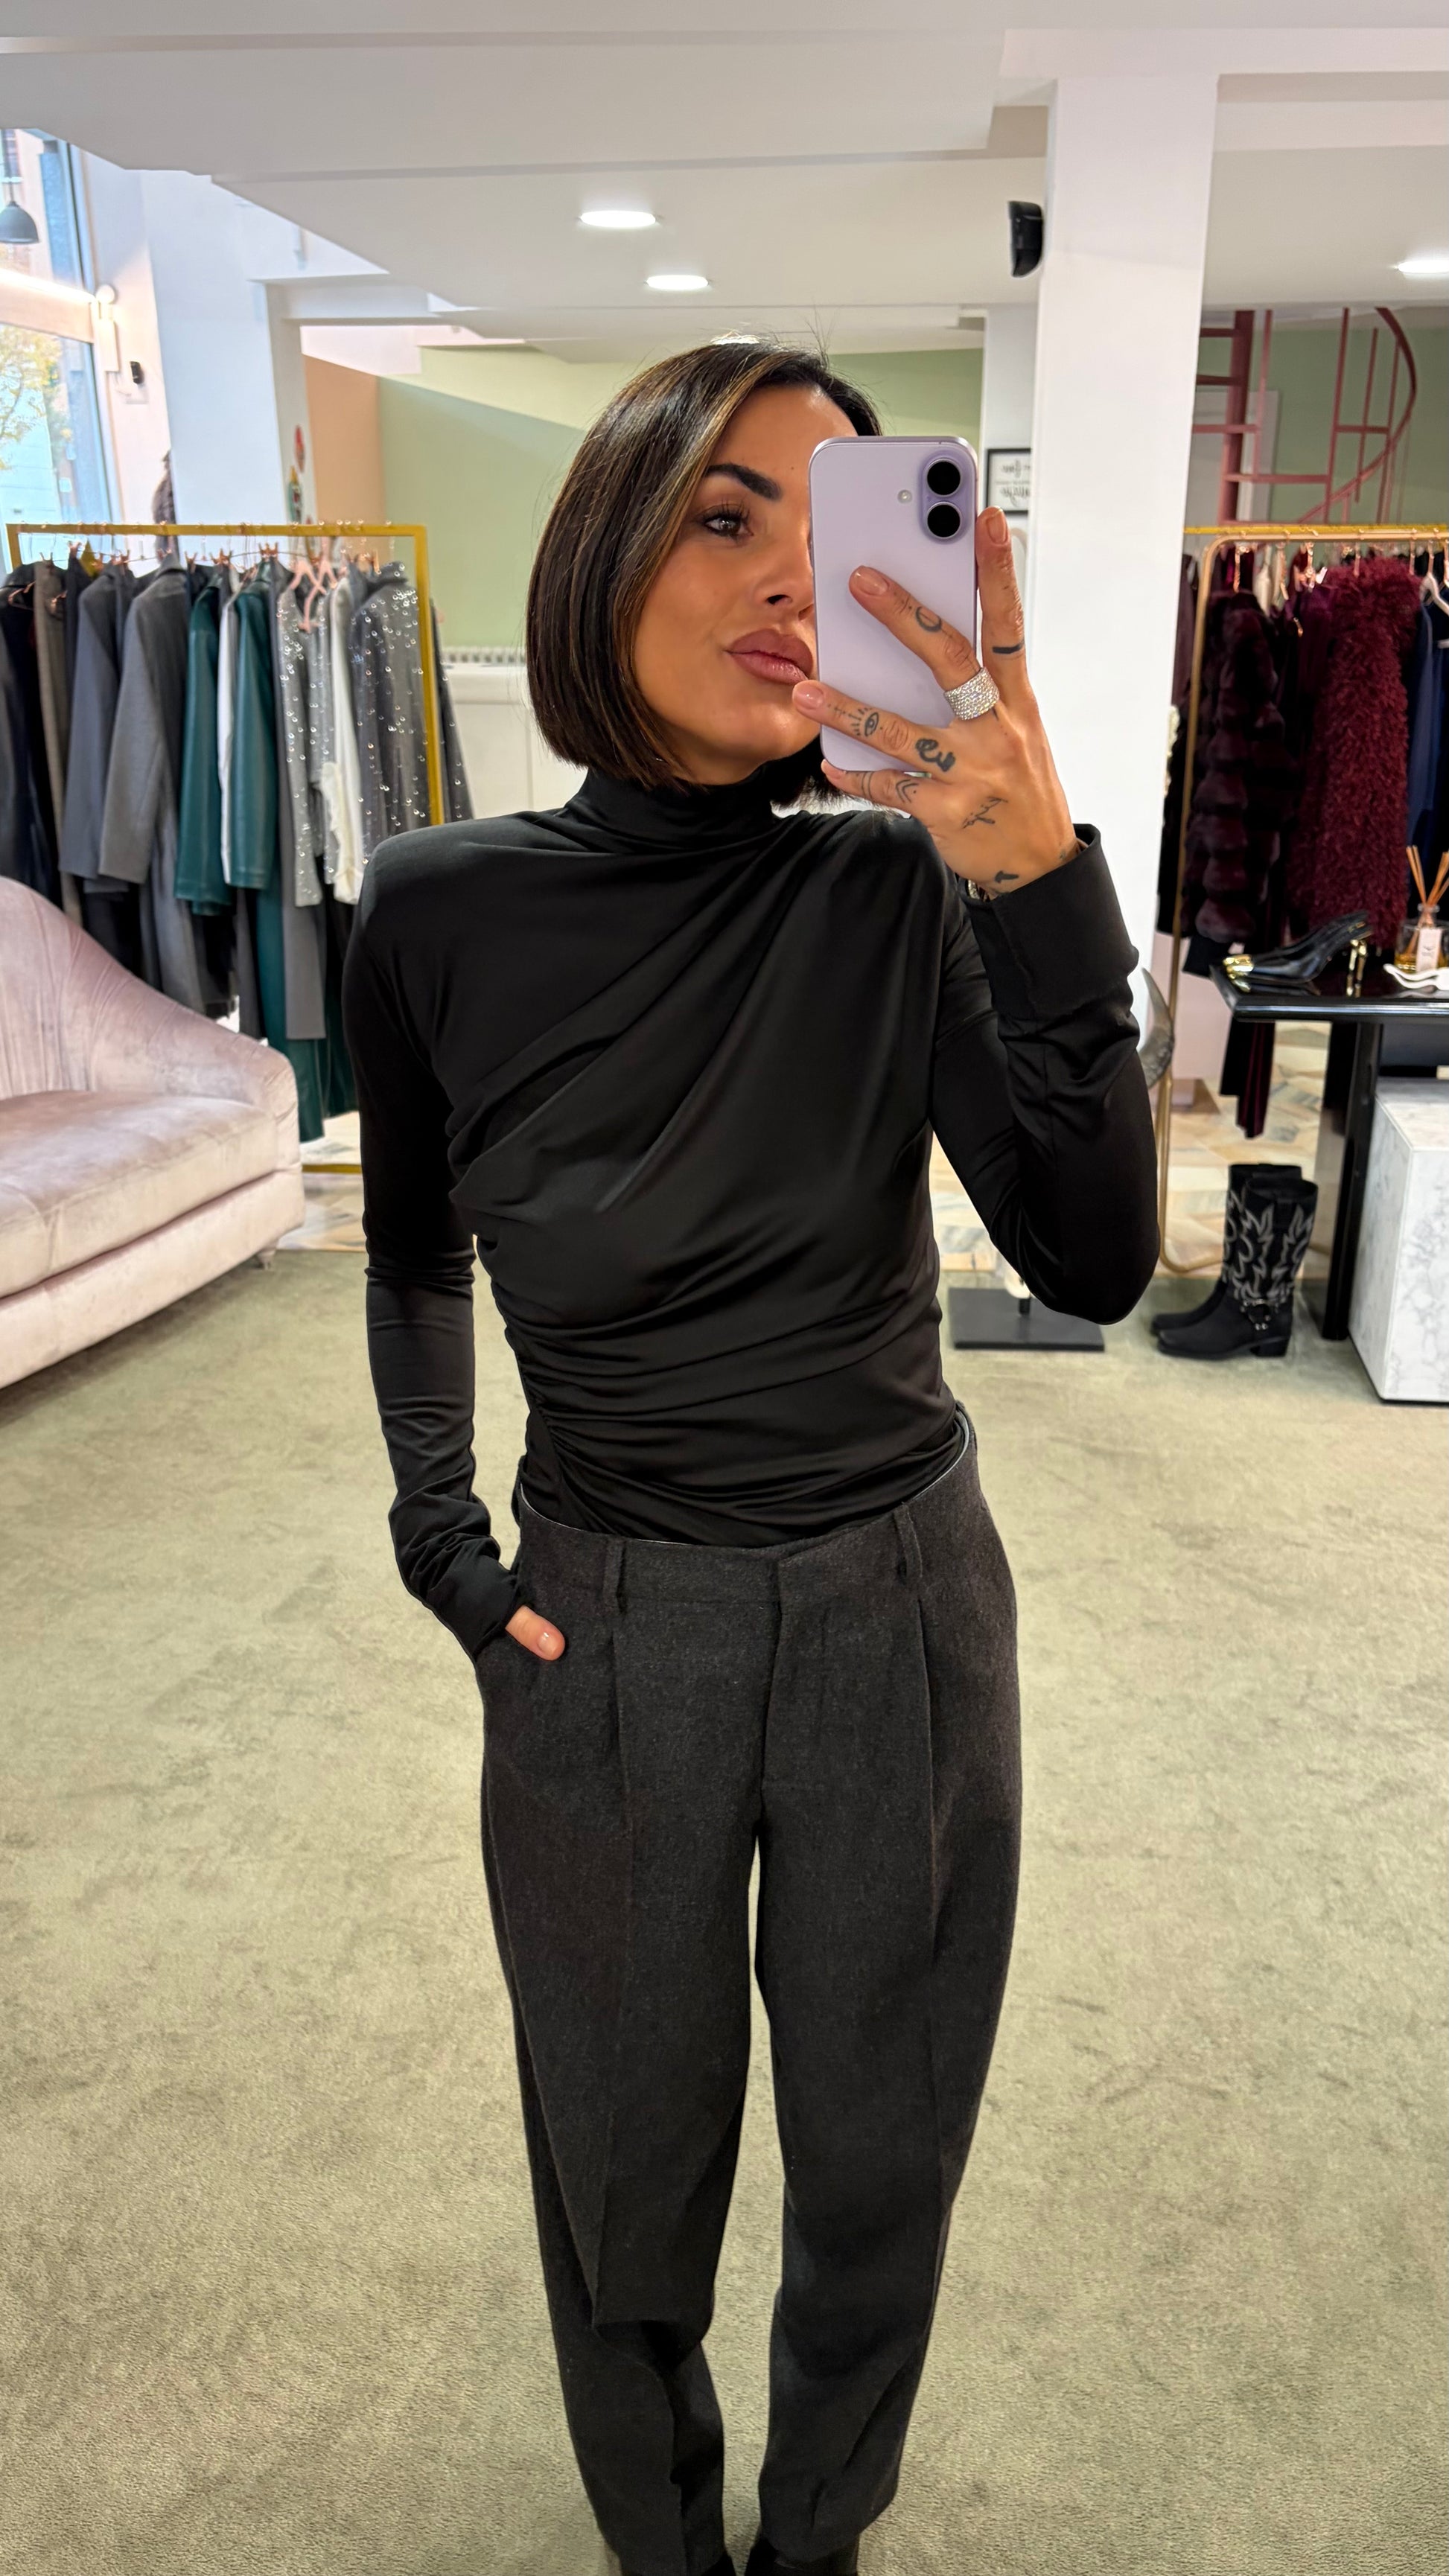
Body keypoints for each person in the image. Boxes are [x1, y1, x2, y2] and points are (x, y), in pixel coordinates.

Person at [342, 340, 1159, 2576]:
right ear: (605, 544)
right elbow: (410, 1247)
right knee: (623, 2156)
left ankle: (818, 2539)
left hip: (904, 1604)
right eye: (727, 515)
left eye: (841, 523)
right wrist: (443, 1540)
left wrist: (1031, 862)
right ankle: (662, 2540)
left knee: (883, 2152)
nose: (797, 578)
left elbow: (1093, 1257)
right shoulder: (433, 909)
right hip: (604, 1619)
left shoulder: (893, 887)